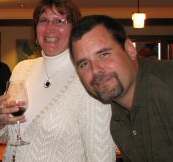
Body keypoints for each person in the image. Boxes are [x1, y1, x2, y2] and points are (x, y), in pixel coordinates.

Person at [0, 0, 116, 162]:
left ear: (75, 30)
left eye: (60, 21)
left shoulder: (89, 80)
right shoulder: (22, 69)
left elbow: (101, 157)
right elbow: (6, 137)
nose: (50, 28)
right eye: (43, 20)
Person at [70, 14, 173, 162]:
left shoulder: (167, 88)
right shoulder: (117, 117)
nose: (95, 70)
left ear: (130, 49)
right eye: (84, 64)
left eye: (104, 54)